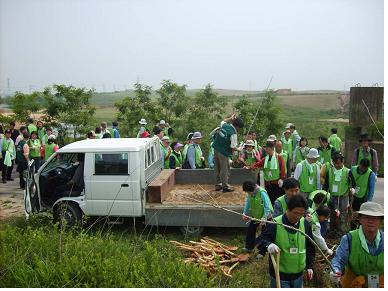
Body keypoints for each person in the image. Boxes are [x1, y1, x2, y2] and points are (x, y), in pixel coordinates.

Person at [258, 194, 315, 288]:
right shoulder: (275, 223)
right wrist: (269, 246)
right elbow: (262, 240)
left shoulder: (304, 223)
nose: (298, 217)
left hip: (298, 275)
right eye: (296, 213)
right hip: (280, 276)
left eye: (302, 214)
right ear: (288, 209)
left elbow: (310, 246)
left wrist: (309, 266)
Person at [331, 202, 383, 288]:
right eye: (366, 217)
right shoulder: (349, 239)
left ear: (381, 221)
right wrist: (335, 271)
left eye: (375, 218)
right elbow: (339, 260)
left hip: (380, 282)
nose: (370, 221)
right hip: (354, 282)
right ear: (360, 219)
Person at [321, 152, 356, 235]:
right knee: (332, 213)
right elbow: (326, 184)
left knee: (343, 214)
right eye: (335, 163)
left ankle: (342, 231)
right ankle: (332, 230)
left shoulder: (347, 171)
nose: (337, 165)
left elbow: (353, 183)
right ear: (333, 162)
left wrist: (352, 189)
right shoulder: (330, 171)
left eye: (339, 163)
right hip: (332, 196)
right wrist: (325, 193)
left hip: (343, 196)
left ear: (342, 162)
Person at [212, 115, 244, 192]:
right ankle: (225, 186)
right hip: (223, 152)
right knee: (225, 169)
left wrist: (230, 118)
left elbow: (223, 120)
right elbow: (233, 147)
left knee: (217, 168)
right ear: (238, 127)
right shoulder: (233, 134)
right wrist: (239, 149)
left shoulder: (225, 125)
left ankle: (217, 185)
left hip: (216, 149)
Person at [241, 180, 273, 256]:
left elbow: (267, 206)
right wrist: (244, 213)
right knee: (250, 231)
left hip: (265, 217)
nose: (248, 194)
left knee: (264, 234)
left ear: (252, 189)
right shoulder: (250, 194)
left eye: (248, 192)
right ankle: (249, 247)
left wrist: (264, 218)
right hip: (255, 216)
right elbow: (248, 203)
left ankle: (262, 252)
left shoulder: (262, 193)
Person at [249, 140, 287, 205]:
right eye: (266, 148)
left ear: (272, 148)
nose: (266, 150)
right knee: (270, 202)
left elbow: (283, 169)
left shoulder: (279, 157)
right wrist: (250, 167)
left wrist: (282, 178)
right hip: (268, 184)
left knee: (278, 202)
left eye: (267, 148)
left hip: (277, 184)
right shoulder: (265, 159)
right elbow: (258, 164)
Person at [350, 158, 376, 230]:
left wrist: (369, 201)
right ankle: (352, 229)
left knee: (361, 215)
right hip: (352, 196)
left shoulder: (371, 174)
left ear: (368, 167)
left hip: (362, 198)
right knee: (352, 215)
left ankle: (360, 229)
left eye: (365, 168)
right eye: (362, 167)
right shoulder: (353, 169)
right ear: (359, 164)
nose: (363, 169)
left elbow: (372, 188)